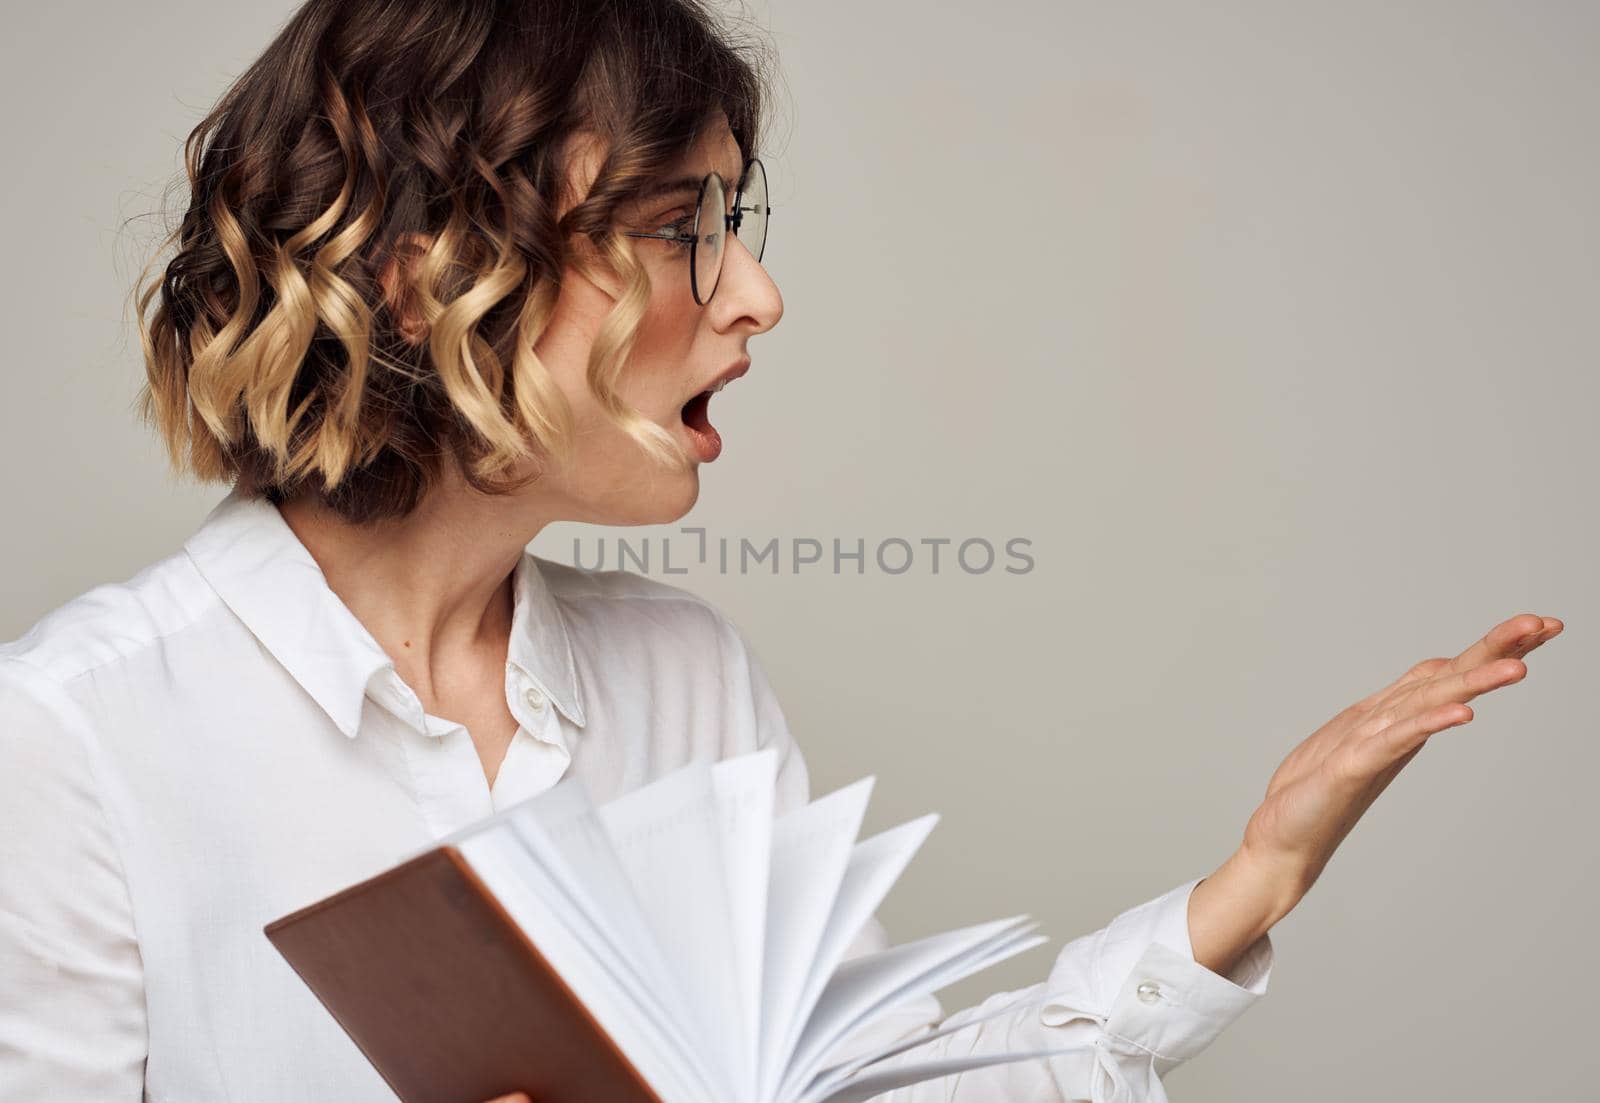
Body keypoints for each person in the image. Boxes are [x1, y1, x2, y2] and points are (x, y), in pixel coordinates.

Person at [0, 1, 1562, 1100]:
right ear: (426, 276)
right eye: (690, 228)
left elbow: (857, 1094)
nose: (755, 296)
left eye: (740, 224)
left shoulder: (684, 676)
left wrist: (1245, 886)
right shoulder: (75, 743)